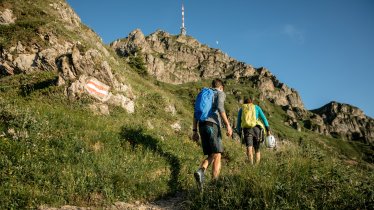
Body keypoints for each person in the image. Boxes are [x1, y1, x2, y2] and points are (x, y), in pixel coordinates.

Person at [192, 79, 233, 189]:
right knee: (218, 154)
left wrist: (194, 131)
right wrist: (228, 125)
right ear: (221, 87)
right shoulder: (219, 93)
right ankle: (213, 182)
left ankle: (201, 172)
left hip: (201, 125)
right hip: (213, 125)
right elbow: (220, 107)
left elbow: (196, 113)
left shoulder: (203, 94)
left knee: (212, 154)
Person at [236, 96, 270, 165]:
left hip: (247, 130)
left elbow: (238, 122)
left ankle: (251, 165)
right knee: (257, 149)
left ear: (244, 103)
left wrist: (239, 132)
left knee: (249, 147)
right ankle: (256, 166)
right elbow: (264, 118)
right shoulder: (256, 107)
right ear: (251, 103)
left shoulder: (242, 109)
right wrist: (268, 129)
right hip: (257, 129)